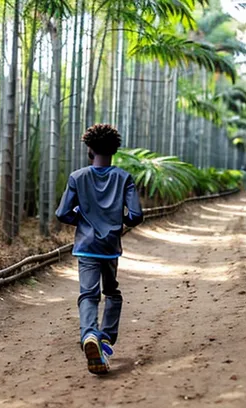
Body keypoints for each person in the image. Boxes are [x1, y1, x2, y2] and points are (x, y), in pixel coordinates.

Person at [56, 124, 144, 375]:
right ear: (114, 150)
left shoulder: (77, 177)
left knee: (88, 295)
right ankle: (104, 338)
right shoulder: (124, 178)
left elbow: (62, 213)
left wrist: (81, 222)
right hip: (110, 247)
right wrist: (118, 223)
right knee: (112, 292)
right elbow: (136, 215)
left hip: (86, 246)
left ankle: (89, 336)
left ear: (89, 149)